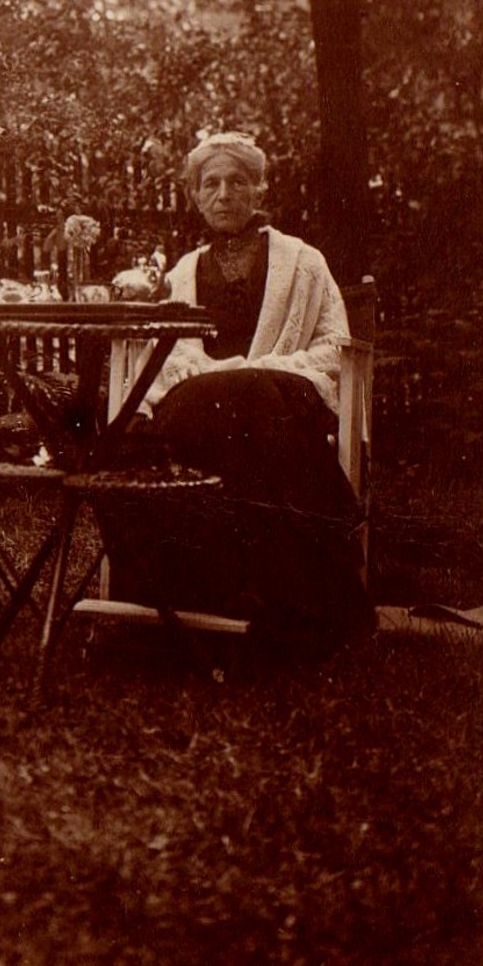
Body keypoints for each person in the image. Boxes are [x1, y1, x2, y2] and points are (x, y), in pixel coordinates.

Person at [106, 131, 372, 647]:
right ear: (197, 196)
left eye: (237, 182)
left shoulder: (303, 261)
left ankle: (280, 604)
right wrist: (218, 378)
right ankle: (232, 595)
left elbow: (335, 347)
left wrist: (264, 368)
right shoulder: (183, 272)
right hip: (208, 405)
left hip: (286, 395)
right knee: (167, 426)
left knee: (253, 396)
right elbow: (166, 356)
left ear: (259, 191)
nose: (224, 194)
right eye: (211, 184)